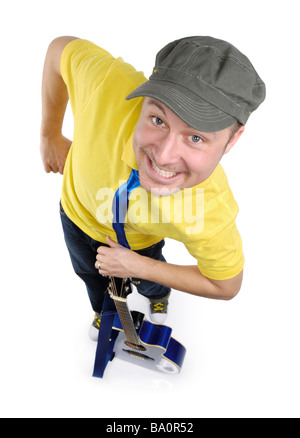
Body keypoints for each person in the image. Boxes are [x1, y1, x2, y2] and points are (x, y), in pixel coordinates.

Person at [40, 35, 265, 340]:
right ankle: (102, 313)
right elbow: (58, 50)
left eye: (195, 137)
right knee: (90, 275)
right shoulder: (110, 85)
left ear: (232, 140)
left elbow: (226, 284)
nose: (163, 155)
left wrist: (139, 265)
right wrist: (50, 134)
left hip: (140, 244)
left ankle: (159, 296)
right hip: (76, 217)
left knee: (151, 278)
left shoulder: (208, 209)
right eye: (158, 119)